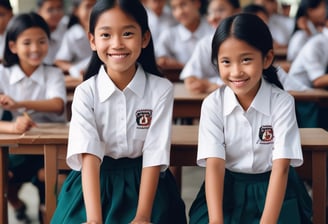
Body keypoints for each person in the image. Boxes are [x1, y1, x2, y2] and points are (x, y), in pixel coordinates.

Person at [51, 0, 187, 223]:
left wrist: (142, 215)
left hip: (145, 183)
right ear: (92, 41)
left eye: (127, 34)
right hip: (92, 185)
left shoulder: (161, 89)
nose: (117, 44)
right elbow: (89, 155)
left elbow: (154, 152)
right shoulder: (86, 91)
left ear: (144, 38)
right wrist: (94, 219)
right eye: (106, 35)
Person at [188, 13, 312, 224]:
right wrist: (216, 221)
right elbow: (215, 165)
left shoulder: (282, 102)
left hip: (274, 188)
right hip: (227, 189)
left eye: (246, 59)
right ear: (216, 63)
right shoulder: (212, 104)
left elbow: (281, 168)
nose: (236, 72)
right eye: (226, 62)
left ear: (267, 58)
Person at [0, 12, 67, 223]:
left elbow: (57, 106)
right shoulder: (2, 73)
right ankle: (18, 204)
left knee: (53, 181)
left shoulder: (53, 73)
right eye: (27, 42)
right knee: (4, 176)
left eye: (41, 41)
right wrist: (13, 126)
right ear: (13, 46)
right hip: (18, 147)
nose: (35, 49)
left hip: (52, 147)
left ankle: (46, 213)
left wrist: (20, 104)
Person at [179, 0, 240, 94]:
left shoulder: (248, 41)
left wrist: (210, 84)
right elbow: (190, 81)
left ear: (237, 12)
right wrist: (218, 85)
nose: (213, 17)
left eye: (220, 10)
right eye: (210, 12)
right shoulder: (206, 43)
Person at [155, 0, 212, 70]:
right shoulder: (169, 35)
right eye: (174, 8)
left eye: (183, 4)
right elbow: (161, 61)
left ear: (197, 3)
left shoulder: (213, 30)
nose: (180, 12)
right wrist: (189, 69)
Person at [54, 0, 96, 84]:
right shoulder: (73, 34)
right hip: (82, 79)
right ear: (76, 11)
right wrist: (74, 69)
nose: (92, 10)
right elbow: (59, 62)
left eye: (95, 6)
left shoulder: (106, 28)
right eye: (88, 6)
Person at [36, 0, 69, 65]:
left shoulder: (68, 25)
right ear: (39, 12)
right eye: (50, 10)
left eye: (59, 8)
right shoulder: (34, 31)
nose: (56, 13)